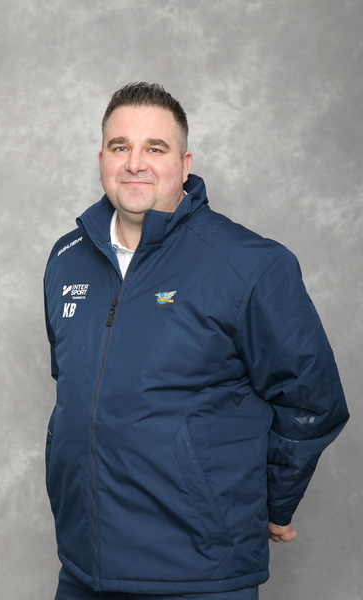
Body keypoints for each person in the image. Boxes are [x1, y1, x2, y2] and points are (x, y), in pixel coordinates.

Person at [43, 82, 349, 600]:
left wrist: (273, 501)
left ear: (184, 165)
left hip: (199, 572)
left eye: (154, 148)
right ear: (101, 160)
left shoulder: (250, 264)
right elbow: (73, 388)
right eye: (120, 147)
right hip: (83, 567)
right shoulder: (66, 258)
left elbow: (312, 400)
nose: (134, 163)